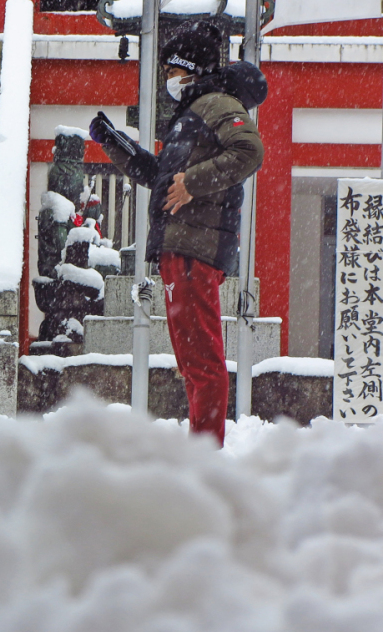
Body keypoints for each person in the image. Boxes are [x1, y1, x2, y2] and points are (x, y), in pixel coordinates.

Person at [89, 20, 266, 446]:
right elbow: (164, 177)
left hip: (194, 247)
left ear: (191, 70)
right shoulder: (192, 113)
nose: (168, 79)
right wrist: (116, 143)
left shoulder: (217, 104)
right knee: (193, 363)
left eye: (172, 71)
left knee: (202, 364)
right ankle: (200, 451)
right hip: (181, 248)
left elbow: (250, 150)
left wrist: (194, 182)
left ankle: (205, 459)